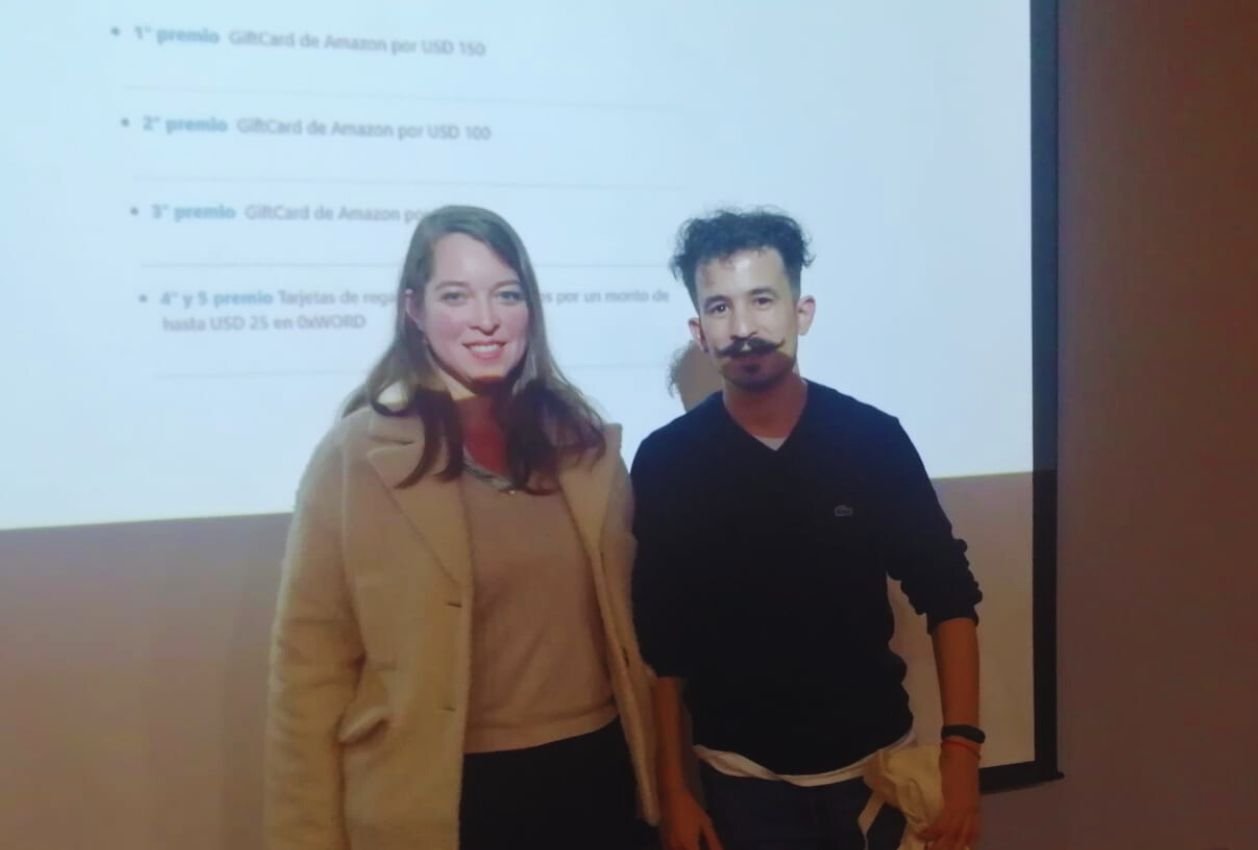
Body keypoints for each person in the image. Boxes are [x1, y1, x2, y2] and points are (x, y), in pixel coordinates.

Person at [265, 205, 658, 850]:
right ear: (414, 310)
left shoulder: (583, 447)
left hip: (595, 779)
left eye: (507, 294)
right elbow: (308, 674)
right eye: (457, 295)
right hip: (447, 799)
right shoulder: (357, 455)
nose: (486, 319)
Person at [631, 209, 984, 850]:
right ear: (699, 331)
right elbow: (664, 644)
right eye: (719, 308)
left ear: (802, 311)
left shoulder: (871, 440)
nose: (743, 328)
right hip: (738, 782)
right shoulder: (666, 461)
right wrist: (675, 790)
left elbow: (950, 595)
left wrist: (961, 753)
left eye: (762, 300)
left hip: (876, 771)